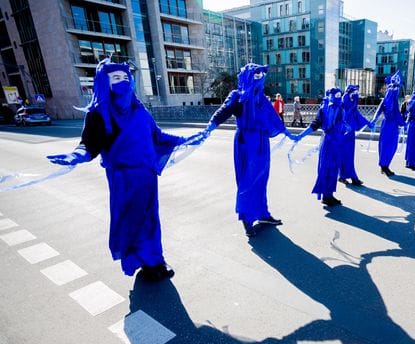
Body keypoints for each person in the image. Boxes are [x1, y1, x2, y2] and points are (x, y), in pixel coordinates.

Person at [46, 58, 207, 281]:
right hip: (124, 179)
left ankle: (155, 259)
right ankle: (142, 262)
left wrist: (186, 139)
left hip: (147, 177)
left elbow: (157, 136)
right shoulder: (99, 113)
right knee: (133, 221)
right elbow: (89, 144)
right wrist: (75, 155)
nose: (121, 82)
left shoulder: (139, 110)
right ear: (105, 83)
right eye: (115, 78)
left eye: (124, 77)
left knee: (150, 220)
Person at [203, 64, 295, 237]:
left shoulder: (261, 99)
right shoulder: (238, 96)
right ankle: (246, 218)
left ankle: (262, 214)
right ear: (247, 77)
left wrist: (288, 133)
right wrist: (210, 126)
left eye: (261, 75)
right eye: (255, 75)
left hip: (261, 143)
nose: (259, 78)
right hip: (246, 143)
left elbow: (273, 118)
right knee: (247, 180)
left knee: (261, 179)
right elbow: (224, 110)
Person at [293, 88, 347, 206]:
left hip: (335, 141)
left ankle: (329, 194)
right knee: (327, 168)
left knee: (332, 168)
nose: (339, 97)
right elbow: (315, 124)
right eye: (336, 95)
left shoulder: (338, 107)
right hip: (329, 141)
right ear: (331, 96)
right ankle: (326, 196)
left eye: (340, 95)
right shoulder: (325, 109)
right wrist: (300, 135)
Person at [370, 71, 405, 177]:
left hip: (388, 125)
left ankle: (384, 166)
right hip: (391, 126)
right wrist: (403, 123)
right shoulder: (391, 99)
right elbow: (397, 114)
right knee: (389, 146)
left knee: (387, 146)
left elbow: (379, 111)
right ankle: (384, 167)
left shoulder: (388, 99)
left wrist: (374, 120)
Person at [338, 84, 371, 186]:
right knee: (345, 155)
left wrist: (368, 122)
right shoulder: (344, 100)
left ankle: (346, 176)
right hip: (344, 132)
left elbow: (357, 114)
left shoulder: (351, 101)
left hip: (350, 132)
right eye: (355, 92)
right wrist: (355, 102)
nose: (356, 94)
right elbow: (345, 114)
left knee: (349, 155)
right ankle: (349, 176)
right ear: (350, 91)